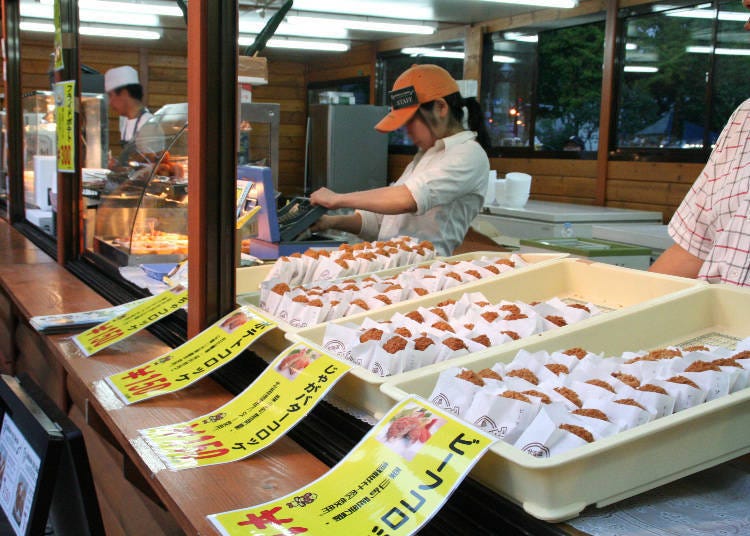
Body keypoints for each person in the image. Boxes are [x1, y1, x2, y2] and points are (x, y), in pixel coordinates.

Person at [309, 64, 491, 256]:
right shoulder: (425, 156)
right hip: (390, 265)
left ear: (441, 107)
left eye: (412, 121)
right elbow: (380, 223)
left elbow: (407, 199)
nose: (408, 131)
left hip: (423, 273)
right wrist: (330, 222)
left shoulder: (468, 154)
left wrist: (338, 199)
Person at [104, 65, 153, 168]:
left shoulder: (148, 123)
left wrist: (120, 167)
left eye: (111, 95)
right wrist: (119, 164)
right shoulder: (124, 120)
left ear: (124, 93)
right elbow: (132, 162)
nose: (110, 102)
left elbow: (152, 166)